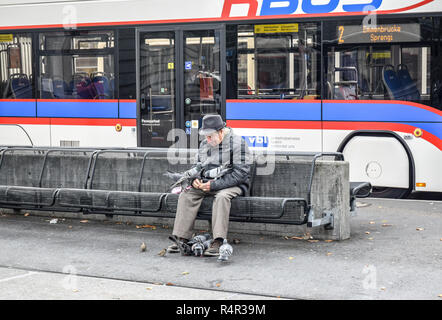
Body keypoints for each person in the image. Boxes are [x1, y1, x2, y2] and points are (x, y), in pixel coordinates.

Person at [168, 114, 252, 256]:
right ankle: (182, 237)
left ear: (221, 131)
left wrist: (214, 185)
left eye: (210, 136)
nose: (207, 140)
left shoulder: (238, 144)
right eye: (205, 136)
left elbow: (240, 174)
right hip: (209, 183)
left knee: (222, 197)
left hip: (234, 184)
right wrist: (195, 180)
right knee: (187, 194)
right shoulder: (205, 144)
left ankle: (218, 240)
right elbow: (198, 166)